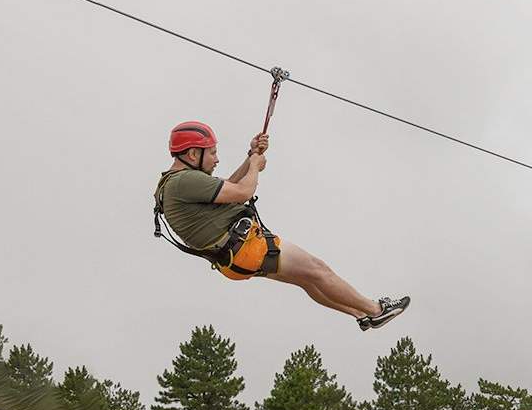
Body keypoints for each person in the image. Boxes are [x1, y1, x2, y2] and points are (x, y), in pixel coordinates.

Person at [154, 121, 410, 331]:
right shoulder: (184, 182)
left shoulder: (174, 184)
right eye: (212, 152)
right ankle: (376, 309)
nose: (217, 159)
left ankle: (359, 313)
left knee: (307, 280)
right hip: (248, 248)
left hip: (233, 260)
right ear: (192, 154)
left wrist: (251, 156)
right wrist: (255, 167)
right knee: (318, 269)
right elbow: (242, 191)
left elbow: (227, 188)